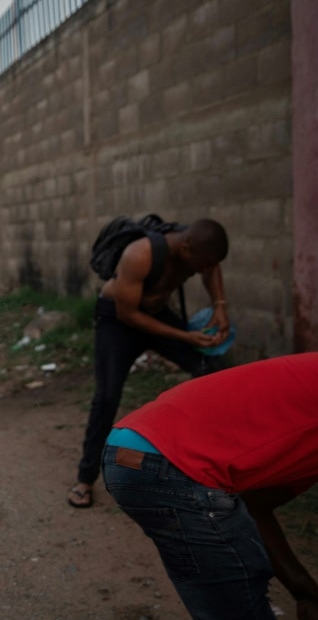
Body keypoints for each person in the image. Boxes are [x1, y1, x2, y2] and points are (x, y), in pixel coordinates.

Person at [102, 350, 318, 620]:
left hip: (132, 449)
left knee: (229, 606)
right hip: (170, 465)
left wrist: (306, 594)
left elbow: (256, 504)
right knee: (237, 619)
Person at [68, 218, 231, 509]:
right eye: (202, 265)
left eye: (209, 265)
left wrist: (220, 307)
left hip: (156, 314)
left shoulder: (196, 251)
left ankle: (221, 465)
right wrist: (185, 336)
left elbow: (212, 267)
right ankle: (85, 478)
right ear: (185, 248)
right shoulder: (139, 254)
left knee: (212, 373)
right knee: (106, 396)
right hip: (119, 320)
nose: (205, 271)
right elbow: (129, 315)